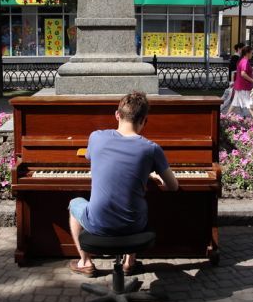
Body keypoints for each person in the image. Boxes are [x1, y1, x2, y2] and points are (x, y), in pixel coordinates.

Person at [67, 91, 180, 277]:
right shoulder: (151, 149)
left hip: (98, 223)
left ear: (117, 115)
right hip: (134, 226)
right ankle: (130, 262)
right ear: (144, 120)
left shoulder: (96, 138)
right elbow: (173, 186)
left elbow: (89, 156)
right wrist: (149, 173)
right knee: (137, 202)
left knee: (74, 204)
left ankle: (85, 261)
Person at [226, 46, 253, 122]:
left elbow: (245, 73)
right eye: (251, 53)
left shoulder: (242, 60)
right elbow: (243, 73)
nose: (252, 54)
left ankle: (225, 117)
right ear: (247, 53)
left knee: (235, 103)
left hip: (240, 86)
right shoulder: (245, 61)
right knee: (250, 103)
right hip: (244, 86)